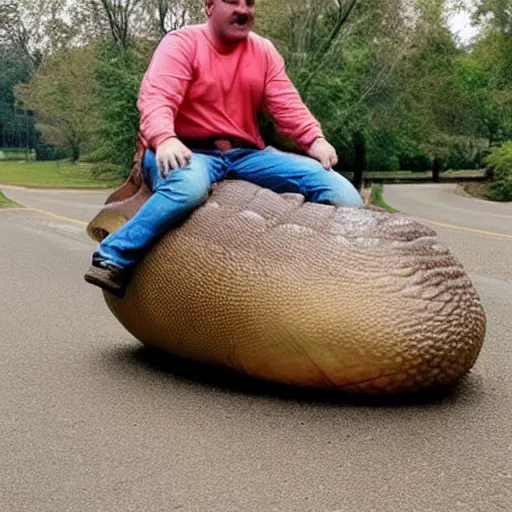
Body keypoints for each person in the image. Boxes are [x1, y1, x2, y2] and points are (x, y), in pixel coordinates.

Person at [84, 0, 363, 298]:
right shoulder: (182, 44)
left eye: (250, 3)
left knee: (343, 193)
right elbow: (157, 98)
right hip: (187, 150)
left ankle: (326, 275)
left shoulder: (263, 52)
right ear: (209, 6)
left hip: (246, 155)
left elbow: (287, 103)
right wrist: (164, 138)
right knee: (187, 188)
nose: (243, 10)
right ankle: (114, 254)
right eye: (232, 1)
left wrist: (315, 139)